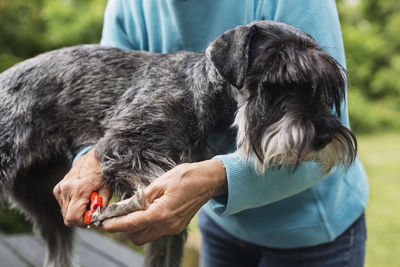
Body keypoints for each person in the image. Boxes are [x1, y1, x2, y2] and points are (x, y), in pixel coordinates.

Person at [53, 0, 369, 266]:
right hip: (220, 221)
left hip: (311, 229)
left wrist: (214, 179)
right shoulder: (129, 5)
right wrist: (91, 158)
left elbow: (323, 130)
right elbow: (106, 107)